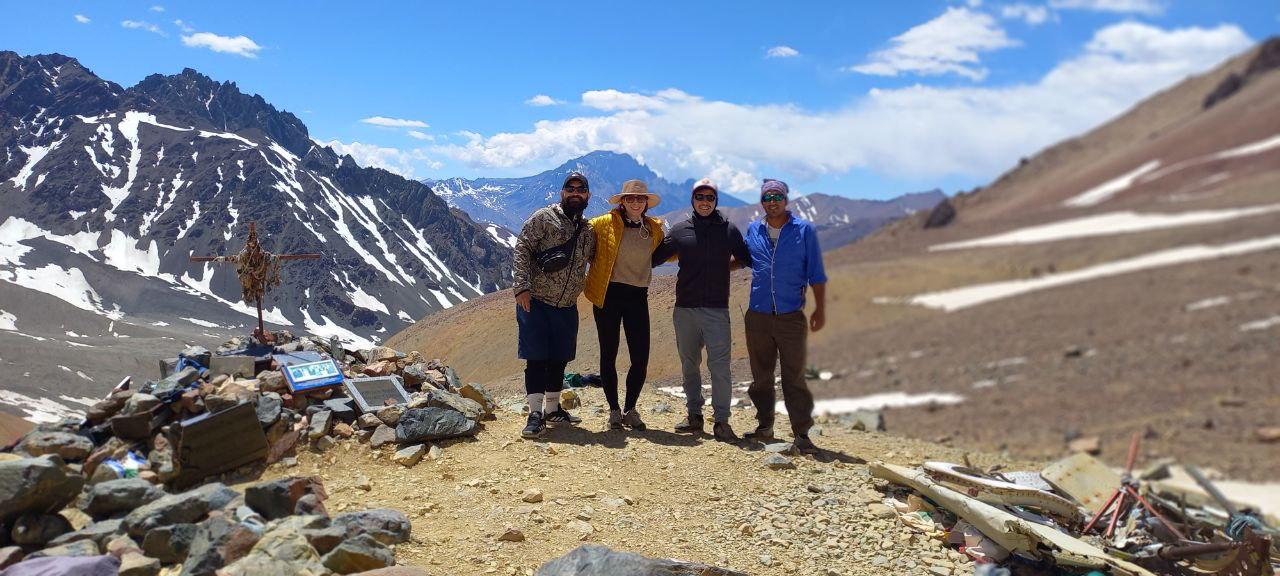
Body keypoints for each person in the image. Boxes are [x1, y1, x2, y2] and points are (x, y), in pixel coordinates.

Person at [651, 178, 751, 441]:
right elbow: (653, 258)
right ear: (693, 200)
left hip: (717, 310)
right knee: (689, 364)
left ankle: (721, 421)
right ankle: (694, 415)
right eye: (700, 197)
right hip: (685, 309)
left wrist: (724, 268)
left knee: (720, 367)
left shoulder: (729, 231)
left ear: (715, 201)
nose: (705, 202)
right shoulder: (681, 231)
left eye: (710, 198)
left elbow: (745, 258)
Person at [741, 179, 827, 453]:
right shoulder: (754, 229)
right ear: (762, 202)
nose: (772, 201)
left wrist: (820, 309)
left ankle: (802, 433)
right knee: (761, 376)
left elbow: (816, 274)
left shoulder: (804, 231)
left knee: (794, 377)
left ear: (786, 199)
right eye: (767, 197)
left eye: (777, 196)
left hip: (791, 315)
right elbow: (742, 260)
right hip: (758, 316)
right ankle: (764, 426)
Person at [512, 171, 596, 439]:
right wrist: (521, 287)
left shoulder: (588, 231)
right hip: (535, 300)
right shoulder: (544, 218)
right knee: (536, 357)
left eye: (580, 189)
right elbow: (522, 247)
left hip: (567, 304)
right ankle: (535, 413)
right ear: (562, 193)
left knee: (559, 357)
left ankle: (552, 410)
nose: (575, 193)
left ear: (587, 196)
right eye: (570, 188)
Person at [584, 179, 665, 431]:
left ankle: (631, 408)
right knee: (608, 354)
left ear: (646, 203)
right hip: (608, 295)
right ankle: (614, 410)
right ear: (622, 201)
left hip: (637, 297)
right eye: (630, 198)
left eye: (640, 199)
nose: (635, 202)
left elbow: (669, 251)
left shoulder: (654, 229)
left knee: (640, 357)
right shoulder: (601, 224)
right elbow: (581, 239)